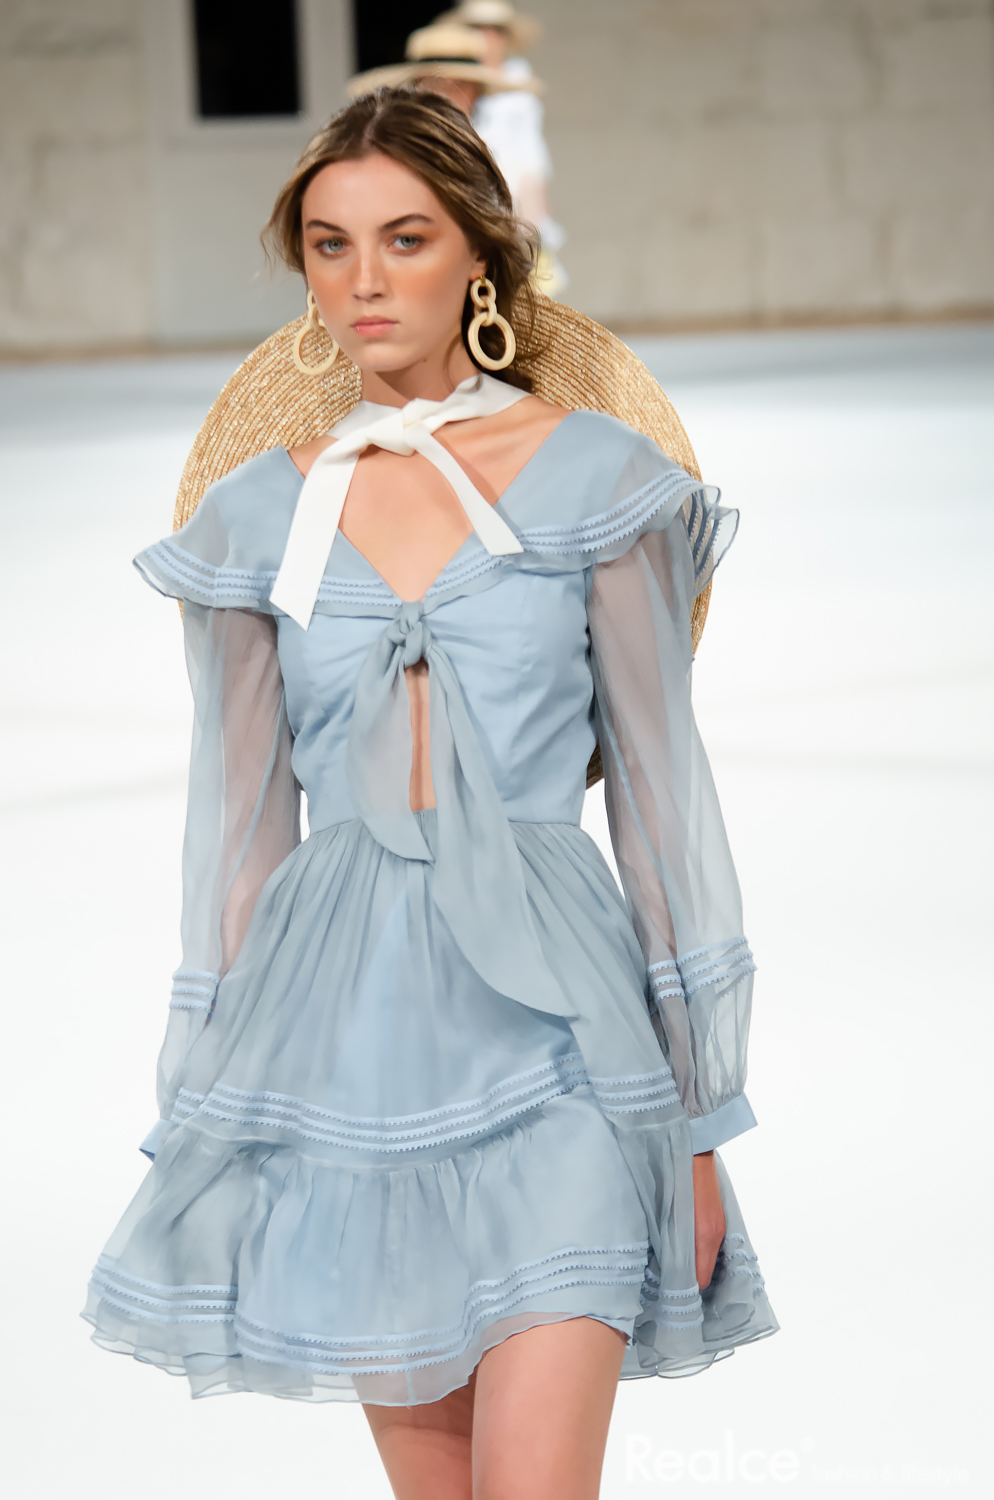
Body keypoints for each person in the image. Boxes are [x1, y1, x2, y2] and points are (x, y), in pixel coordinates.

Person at [82, 89, 778, 1500]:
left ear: (480, 257)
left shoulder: (600, 483)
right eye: (329, 245)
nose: (364, 280)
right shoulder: (254, 520)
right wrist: (212, 1108)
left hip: (565, 1042)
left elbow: (661, 806)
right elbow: (239, 839)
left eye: (405, 239)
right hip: (349, 1056)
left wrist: (701, 1120)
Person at [440, 0, 568, 294]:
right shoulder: (458, 85)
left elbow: (528, 162)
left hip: (513, 207)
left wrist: (531, 220)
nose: (486, 38)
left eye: (495, 30)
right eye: (476, 28)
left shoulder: (517, 87)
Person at [346, 20, 536, 119]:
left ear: (476, 91)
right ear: (416, 87)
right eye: (436, 84)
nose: (445, 95)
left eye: (459, 85)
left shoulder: (492, 149)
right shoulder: (397, 146)